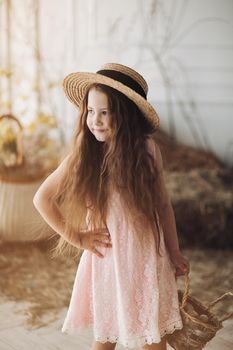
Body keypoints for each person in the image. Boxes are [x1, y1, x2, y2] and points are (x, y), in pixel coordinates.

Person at [33, 63, 190, 350]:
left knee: (153, 337)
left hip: (148, 259)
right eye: (91, 111)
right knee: (105, 339)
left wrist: (174, 250)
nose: (96, 120)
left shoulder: (146, 150)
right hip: (110, 261)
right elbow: (42, 198)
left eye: (105, 112)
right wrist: (77, 236)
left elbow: (163, 205)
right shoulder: (85, 155)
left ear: (126, 115)